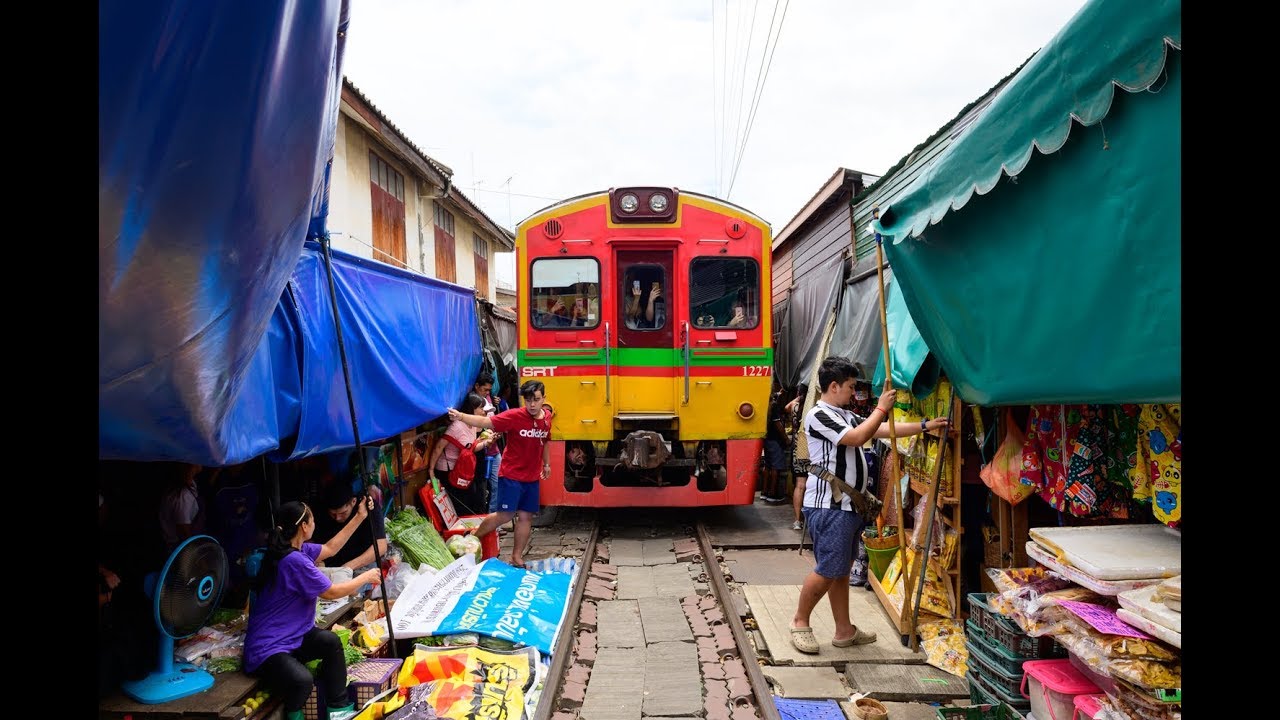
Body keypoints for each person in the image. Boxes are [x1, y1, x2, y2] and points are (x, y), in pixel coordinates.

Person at [789, 356, 949, 654]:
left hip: (848, 506)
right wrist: (881, 408)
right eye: (850, 386)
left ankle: (844, 630)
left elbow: (881, 430)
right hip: (830, 506)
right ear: (833, 386)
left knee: (841, 570)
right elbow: (858, 437)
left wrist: (925, 425)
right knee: (828, 570)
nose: (854, 392)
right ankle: (800, 622)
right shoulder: (819, 415)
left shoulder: (843, 414)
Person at [244, 500, 382, 720]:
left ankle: (339, 710)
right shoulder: (293, 560)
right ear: (304, 526)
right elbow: (331, 592)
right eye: (313, 520)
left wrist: (360, 516)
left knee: (330, 642)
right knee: (302, 681)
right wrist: (365, 577)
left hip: (294, 636)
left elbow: (331, 548)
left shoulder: (299, 550)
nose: (315, 523)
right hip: (269, 647)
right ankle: (294, 715)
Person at [446, 379, 552, 569]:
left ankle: (516, 557)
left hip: (531, 477)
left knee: (526, 517)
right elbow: (485, 421)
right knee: (505, 515)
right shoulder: (514, 416)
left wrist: (547, 464)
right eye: (528, 400)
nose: (532, 404)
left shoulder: (547, 418)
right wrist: (461, 416)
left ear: (544, 398)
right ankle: (472, 538)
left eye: (536, 399)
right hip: (511, 475)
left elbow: (545, 441)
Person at [428, 393, 494, 516]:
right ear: (471, 409)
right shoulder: (456, 427)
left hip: (462, 468)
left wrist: (487, 442)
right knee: (460, 503)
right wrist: (431, 470)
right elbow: (439, 447)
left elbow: (471, 448)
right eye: (481, 408)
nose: (483, 412)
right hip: (448, 470)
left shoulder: (473, 425)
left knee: (470, 499)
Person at [310, 481, 388, 571]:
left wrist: (348, 567)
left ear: (353, 501)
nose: (337, 518)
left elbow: (381, 546)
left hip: (362, 560)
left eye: (343, 513)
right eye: (333, 514)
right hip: (331, 563)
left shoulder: (369, 507)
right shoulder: (321, 513)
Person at [159, 463, 205, 553]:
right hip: (180, 549)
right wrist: (195, 552)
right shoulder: (183, 496)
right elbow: (183, 531)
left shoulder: (191, 485)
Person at [760, 385, 790, 503]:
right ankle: (773, 494)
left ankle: (764, 492)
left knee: (767, 465)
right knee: (776, 467)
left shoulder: (765, 404)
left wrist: (779, 393)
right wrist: (786, 439)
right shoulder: (774, 406)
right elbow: (778, 425)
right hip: (775, 440)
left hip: (767, 438)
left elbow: (777, 395)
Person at [787, 383, 809, 531]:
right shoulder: (812, 408)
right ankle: (809, 519)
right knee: (813, 485)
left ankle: (797, 520)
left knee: (800, 485)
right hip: (811, 448)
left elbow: (786, 407)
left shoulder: (795, 407)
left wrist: (799, 397)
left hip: (798, 447)